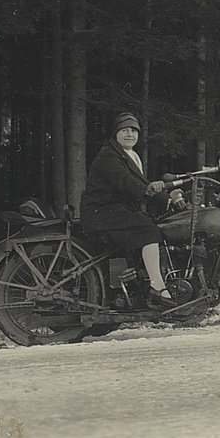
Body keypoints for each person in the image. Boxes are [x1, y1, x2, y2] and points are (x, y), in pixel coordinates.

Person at [80, 112, 180, 308]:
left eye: (133, 131)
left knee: (154, 225)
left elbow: (142, 183)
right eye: (124, 130)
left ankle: (142, 285)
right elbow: (126, 182)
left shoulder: (129, 155)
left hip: (115, 211)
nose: (129, 135)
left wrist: (168, 202)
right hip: (101, 213)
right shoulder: (108, 155)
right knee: (149, 230)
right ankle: (157, 288)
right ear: (115, 133)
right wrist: (146, 190)